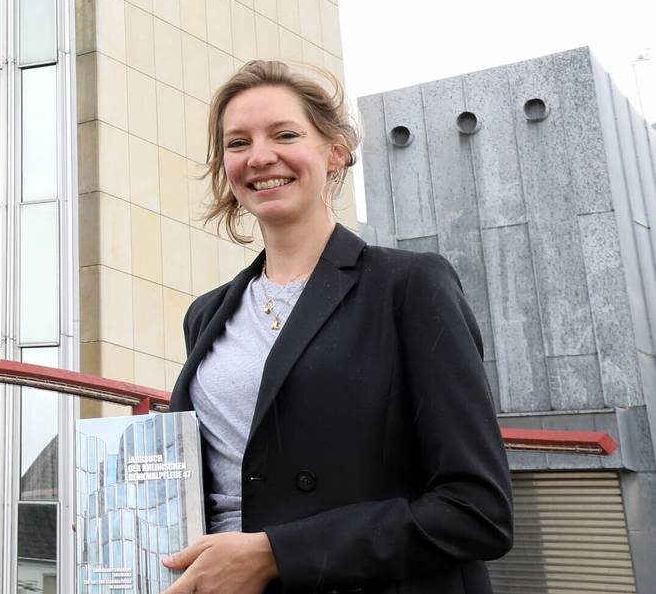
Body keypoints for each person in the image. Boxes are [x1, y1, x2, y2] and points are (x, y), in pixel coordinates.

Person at [160, 61, 512, 594]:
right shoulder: (207, 315)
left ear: (336, 151)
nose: (259, 157)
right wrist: (134, 520)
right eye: (238, 143)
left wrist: (275, 555)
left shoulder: (409, 286)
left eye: (285, 135)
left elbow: (477, 509)